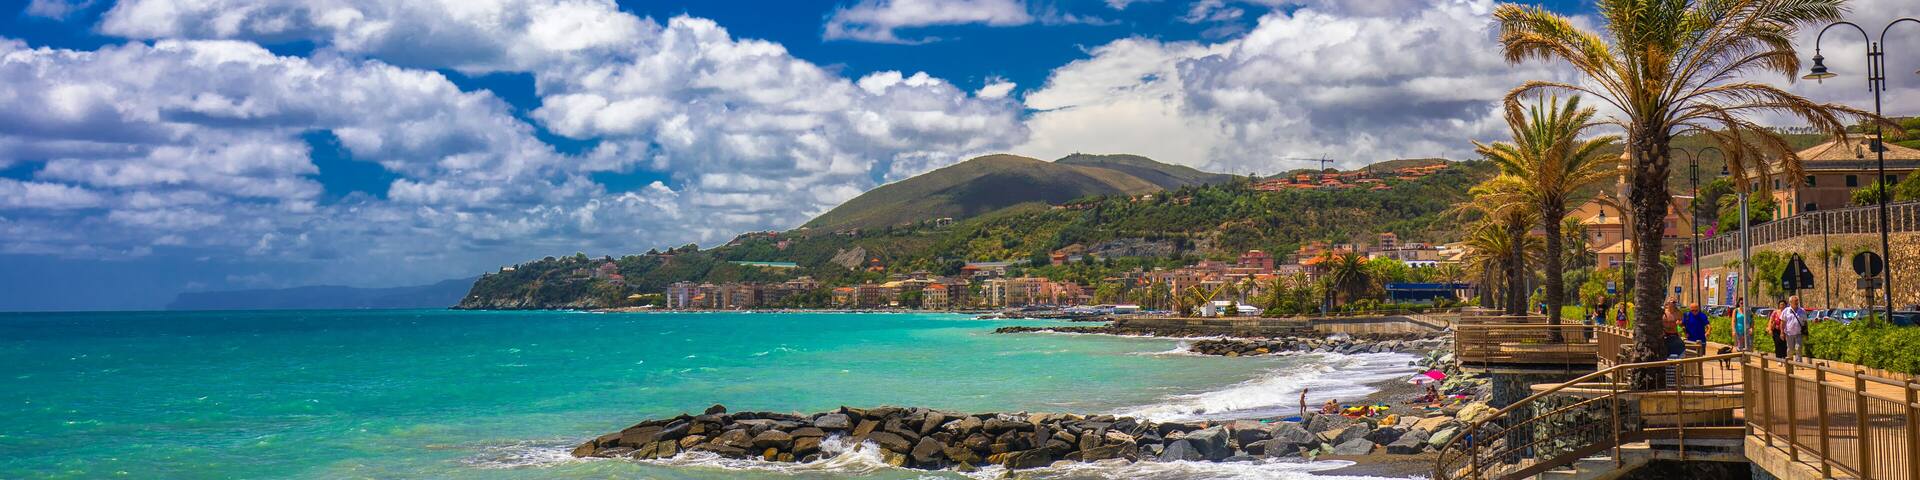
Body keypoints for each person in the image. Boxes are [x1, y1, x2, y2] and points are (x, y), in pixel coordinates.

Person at [1781, 296, 1806, 360]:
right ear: (1790, 302)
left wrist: (1806, 332)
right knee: (1790, 349)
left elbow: (1805, 322)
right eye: (1795, 301)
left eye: (1797, 300)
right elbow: (1783, 322)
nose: (1797, 302)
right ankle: (1789, 363)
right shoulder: (1786, 311)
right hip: (1789, 334)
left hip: (1799, 333)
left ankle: (1798, 364)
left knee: (1798, 348)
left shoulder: (1802, 310)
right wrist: (1782, 333)